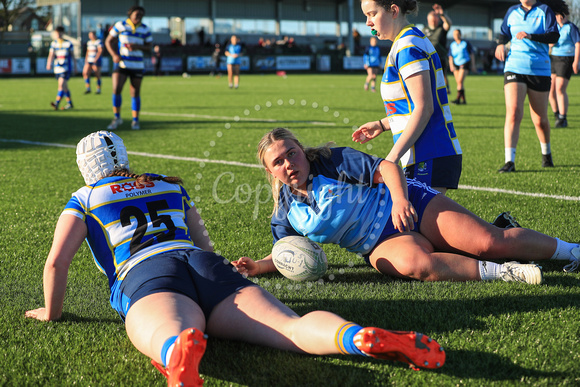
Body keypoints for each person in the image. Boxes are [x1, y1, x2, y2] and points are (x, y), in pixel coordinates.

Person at [24, 131, 447, 387]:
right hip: (203, 265)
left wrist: (52, 312)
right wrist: (220, 275)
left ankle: (179, 353)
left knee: (169, 332)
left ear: (87, 169)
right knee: (292, 328)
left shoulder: (85, 198)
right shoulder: (167, 184)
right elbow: (204, 243)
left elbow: (56, 264)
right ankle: (353, 338)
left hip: (147, 273)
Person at [233, 128, 580, 285]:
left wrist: (400, 200)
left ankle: (571, 251)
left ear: (300, 149)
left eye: (291, 152)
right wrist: (257, 266)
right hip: (379, 244)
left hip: (408, 203)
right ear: (271, 171)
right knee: (417, 265)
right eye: (278, 161)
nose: (288, 163)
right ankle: (507, 272)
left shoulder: (330, 162)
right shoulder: (285, 211)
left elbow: (385, 167)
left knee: (491, 242)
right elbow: (285, 253)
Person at [352, 0, 462, 195]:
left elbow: (424, 107)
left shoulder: (407, 46)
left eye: (372, 14)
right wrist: (383, 124)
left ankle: (501, 227)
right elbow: (414, 106)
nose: (368, 22)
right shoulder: (407, 41)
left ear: (393, 10)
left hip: (428, 152)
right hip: (426, 152)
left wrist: (391, 159)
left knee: (415, 224)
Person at [495, 0, 566, 173]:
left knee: (540, 120)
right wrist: (500, 44)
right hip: (514, 67)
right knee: (513, 113)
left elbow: (554, 36)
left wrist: (531, 36)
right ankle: (509, 161)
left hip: (539, 69)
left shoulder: (545, 11)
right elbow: (504, 33)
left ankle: (546, 154)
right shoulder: (512, 11)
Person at [105, 6, 152, 131]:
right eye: (137, 14)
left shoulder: (145, 29)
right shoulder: (120, 25)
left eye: (141, 15)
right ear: (130, 14)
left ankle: (135, 121)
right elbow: (108, 41)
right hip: (122, 63)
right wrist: (114, 55)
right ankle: (117, 118)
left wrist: (137, 46)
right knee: (116, 89)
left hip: (137, 65)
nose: (139, 17)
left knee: (135, 92)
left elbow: (149, 47)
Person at [549, 10, 580, 128]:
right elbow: (549, 43)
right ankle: (557, 114)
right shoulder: (554, 27)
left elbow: (578, 44)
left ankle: (563, 117)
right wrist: (550, 44)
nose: (560, 17)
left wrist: (576, 61)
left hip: (566, 59)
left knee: (560, 88)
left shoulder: (571, 27)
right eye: (557, 15)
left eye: (562, 15)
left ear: (567, 15)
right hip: (554, 58)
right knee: (550, 90)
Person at [422, 3, 452, 93]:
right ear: (428, 20)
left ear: (438, 19)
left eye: (435, 19)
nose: (433, 22)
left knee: (442, 74)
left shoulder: (441, 28)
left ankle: (446, 88)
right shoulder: (424, 30)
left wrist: (442, 14)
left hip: (440, 56)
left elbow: (448, 24)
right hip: (427, 57)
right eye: (432, 20)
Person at [46, 26, 76, 110]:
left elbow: (73, 56)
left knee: (61, 85)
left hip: (66, 68)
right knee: (65, 87)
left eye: (59, 33)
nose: (58, 34)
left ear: (63, 33)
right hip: (57, 68)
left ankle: (56, 103)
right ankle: (70, 104)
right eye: (57, 33)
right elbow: (51, 55)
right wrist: (49, 63)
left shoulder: (68, 43)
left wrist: (75, 66)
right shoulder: (54, 43)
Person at [448, 29, 478, 104]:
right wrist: (451, 65)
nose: (456, 36)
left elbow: (471, 54)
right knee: (459, 83)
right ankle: (464, 100)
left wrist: (473, 65)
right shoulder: (452, 45)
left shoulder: (465, 43)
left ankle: (458, 99)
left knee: (460, 81)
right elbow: (450, 56)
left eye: (457, 34)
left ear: (460, 35)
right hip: (456, 64)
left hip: (464, 63)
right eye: (454, 34)